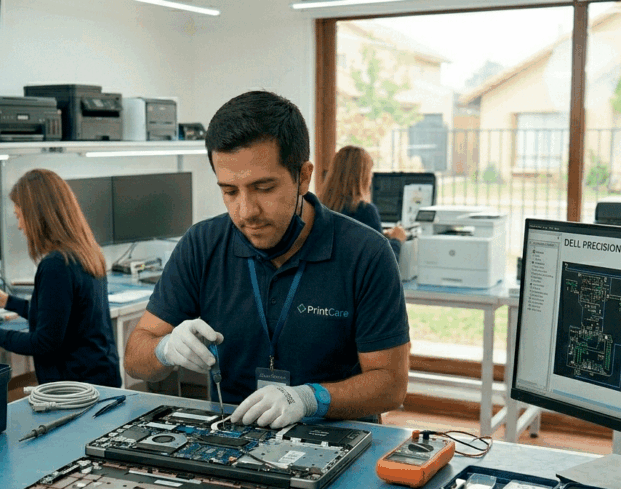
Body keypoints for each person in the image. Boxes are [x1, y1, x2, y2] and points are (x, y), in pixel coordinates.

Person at [124, 90, 410, 428]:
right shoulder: (202, 245)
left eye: (263, 188)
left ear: (304, 176)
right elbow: (135, 358)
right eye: (229, 191)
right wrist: (165, 350)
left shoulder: (366, 253)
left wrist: (309, 398)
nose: (246, 212)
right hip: (234, 438)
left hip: (337, 439)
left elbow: (391, 385)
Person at [0, 168, 120, 387]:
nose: (19, 225)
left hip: (76, 388)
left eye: (19, 216)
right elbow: (58, 317)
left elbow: (45, 342)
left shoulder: (57, 264)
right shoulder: (85, 251)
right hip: (99, 377)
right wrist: (6, 301)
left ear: (37, 215)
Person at [318, 145, 407, 259]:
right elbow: (383, 263)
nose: (371, 176)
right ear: (363, 177)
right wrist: (396, 240)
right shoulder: (365, 211)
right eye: (370, 172)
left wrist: (382, 235)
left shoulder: (318, 208)